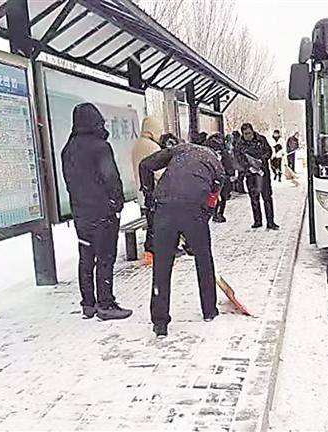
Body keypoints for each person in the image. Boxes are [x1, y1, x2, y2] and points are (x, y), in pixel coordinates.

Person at [139, 138, 225, 338]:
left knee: (162, 264)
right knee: (204, 260)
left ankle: (160, 322)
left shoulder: (181, 149)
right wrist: (198, 225)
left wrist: (149, 194)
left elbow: (145, 165)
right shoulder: (217, 167)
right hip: (193, 209)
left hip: (164, 207)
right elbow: (212, 203)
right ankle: (209, 310)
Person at [61, 103, 132, 321]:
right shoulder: (100, 147)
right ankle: (106, 304)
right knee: (105, 258)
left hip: (81, 214)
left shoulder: (68, 149)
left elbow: (70, 182)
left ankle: (88, 304)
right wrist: (116, 202)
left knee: (86, 258)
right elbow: (110, 177)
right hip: (103, 213)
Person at [131, 116, 163, 265]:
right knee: (157, 224)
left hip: (143, 192)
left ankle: (149, 252)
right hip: (154, 192)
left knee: (151, 222)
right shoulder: (152, 147)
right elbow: (160, 172)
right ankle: (153, 251)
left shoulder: (137, 144)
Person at [235, 123, 279, 230]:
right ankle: (257, 221)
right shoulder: (240, 144)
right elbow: (238, 159)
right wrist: (248, 167)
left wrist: (261, 160)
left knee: (267, 197)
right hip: (250, 175)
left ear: (252, 131)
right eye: (245, 134)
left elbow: (269, 151)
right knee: (254, 198)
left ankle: (270, 222)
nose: (248, 136)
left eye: (249, 133)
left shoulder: (261, 139)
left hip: (263, 173)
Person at [204, 133, 236, 223]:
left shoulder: (207, 149)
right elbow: (228, 162)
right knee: (221, 196)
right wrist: (231, 175)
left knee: (215, 196)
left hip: (214, 176)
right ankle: (219, 214)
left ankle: (215, 214)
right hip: (221, 176)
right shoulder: (221, 149)